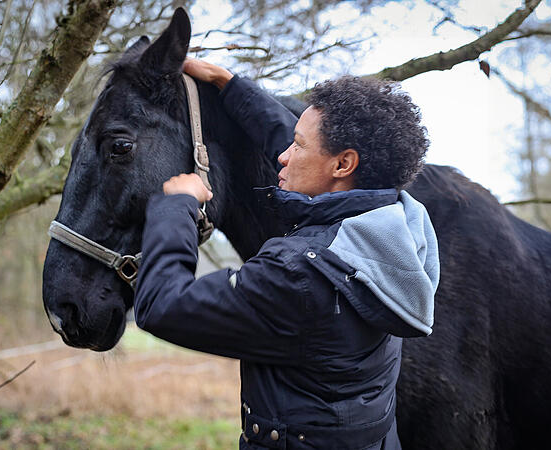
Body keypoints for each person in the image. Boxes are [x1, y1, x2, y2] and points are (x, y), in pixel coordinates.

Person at [133, 59, 439, 449]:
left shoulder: (297, 275)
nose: (283, 156)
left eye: (298, 145)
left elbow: (163, 305)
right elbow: (314, 154)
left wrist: (174, 208)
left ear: (344, 163)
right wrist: (230, 85)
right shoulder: (392, 232)